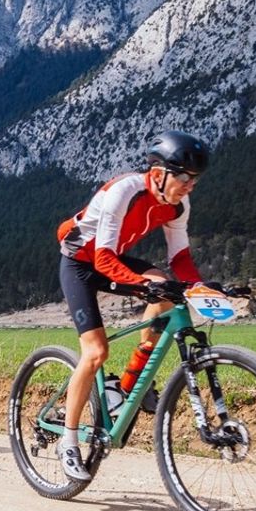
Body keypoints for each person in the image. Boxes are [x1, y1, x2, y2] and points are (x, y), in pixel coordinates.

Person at [54, 130, 209, 481]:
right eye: (184, 177)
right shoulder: (123, 191)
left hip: (111, 260)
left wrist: (201, 287)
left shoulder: (178, 205)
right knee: (95, 353)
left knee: (169, 289)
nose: (189, 186)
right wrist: (143, 284)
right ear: (158, 174)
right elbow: (104, 258)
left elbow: (181, 258)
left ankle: (132, 385)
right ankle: (69, 440)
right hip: (81, 263)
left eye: (195, 180)